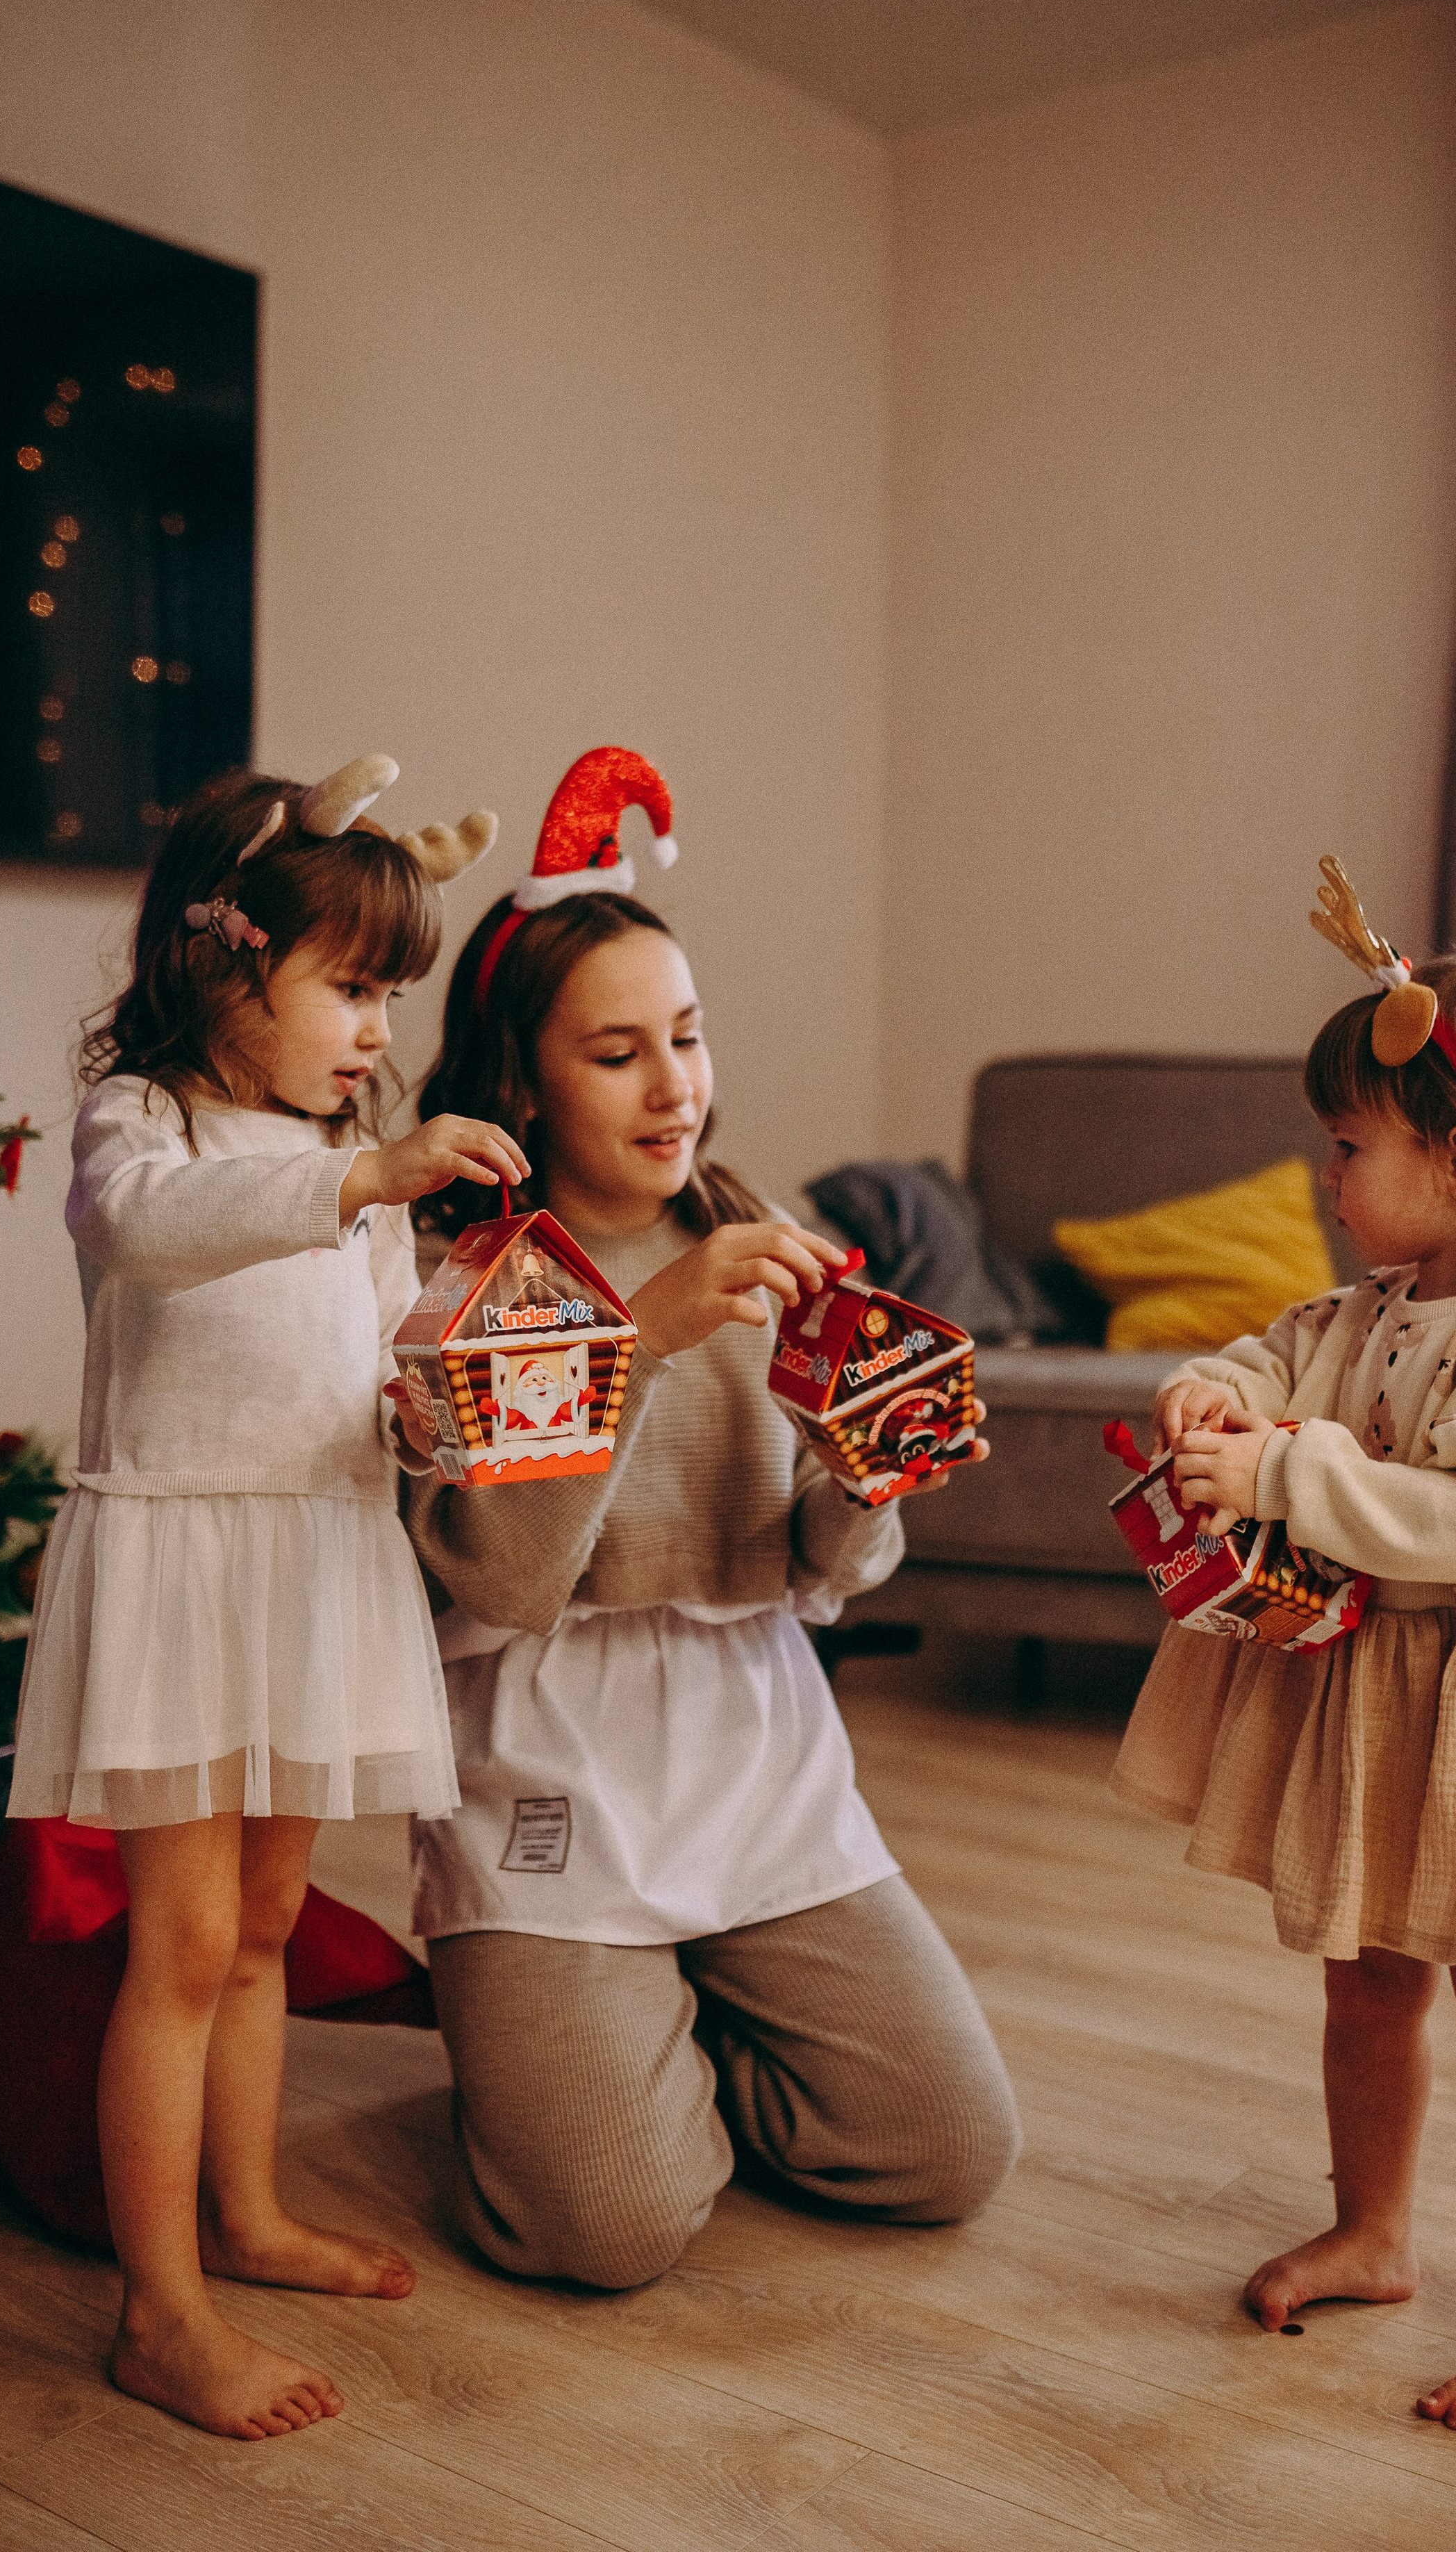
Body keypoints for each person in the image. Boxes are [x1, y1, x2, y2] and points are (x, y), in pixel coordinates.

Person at [400, 748, 1021, 2290]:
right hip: (549, 1764)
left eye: (684, 1035)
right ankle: (570, 2042)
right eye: (617, 1054)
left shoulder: (758, 1246)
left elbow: (818, 1577)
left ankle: (657, 2020)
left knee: (947, 2154)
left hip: (753, 1751)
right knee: (604, 2232)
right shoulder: (472, 1283)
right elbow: (503, 1580)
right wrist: (648, 1337)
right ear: (521, 1080)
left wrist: (860, 1483)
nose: (675, 1084)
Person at [7, 758, 528, 2441]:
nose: (378, 1030)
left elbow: (370, 1367)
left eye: (392, 995)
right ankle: (159, 2312)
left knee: (261, 1930)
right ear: (224, 964)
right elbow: (154, 1236)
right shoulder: (142, 1128)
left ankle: (247, 2215)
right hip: (177, 1564)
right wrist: (362, 1183)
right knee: (174, 1945)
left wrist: (432, 1400)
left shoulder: (341, 1160)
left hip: (316, 1557)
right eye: (354, 988)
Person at [1113, 872, 1456, 2442]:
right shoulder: (1385, 1295)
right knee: (1364, 1987)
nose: (1325, 1171)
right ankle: (1376, 2231)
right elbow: (1282, 1351)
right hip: (1387, 1690)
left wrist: (1277, 1472)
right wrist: (1215, 1391)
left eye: (1347, 1146)